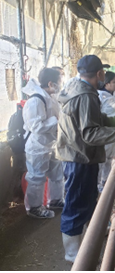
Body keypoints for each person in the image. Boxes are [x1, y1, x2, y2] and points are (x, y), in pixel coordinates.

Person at [55, 55, 115, 263]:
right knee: (76, 205)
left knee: (85, 201)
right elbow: (90, 134)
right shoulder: (86, 96)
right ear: (99, 74)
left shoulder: (77, 89)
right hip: (80, 157)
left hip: (77, 155)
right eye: (103, 72)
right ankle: (73, 254)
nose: (104, 75)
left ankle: (85, 243)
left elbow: (94, 118)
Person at [22, 68, 64, 219]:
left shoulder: (50, 97)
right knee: (36, 178)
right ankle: (34, 207)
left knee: (56, 174)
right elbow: (36, 126)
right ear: (51, 83)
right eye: (60, 80)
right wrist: (57, 122)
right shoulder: (35, 100)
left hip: (51, 143)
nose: (61, 84)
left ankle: (56, 200)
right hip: (38, 146)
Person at [97, 71, 115, 192]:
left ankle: (105, 181)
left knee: (109, 158)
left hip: (113, 132)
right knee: (101, 159)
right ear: (106, 84)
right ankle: (97, 184)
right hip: (104, 132)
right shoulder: (100, 96)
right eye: (114, 82)